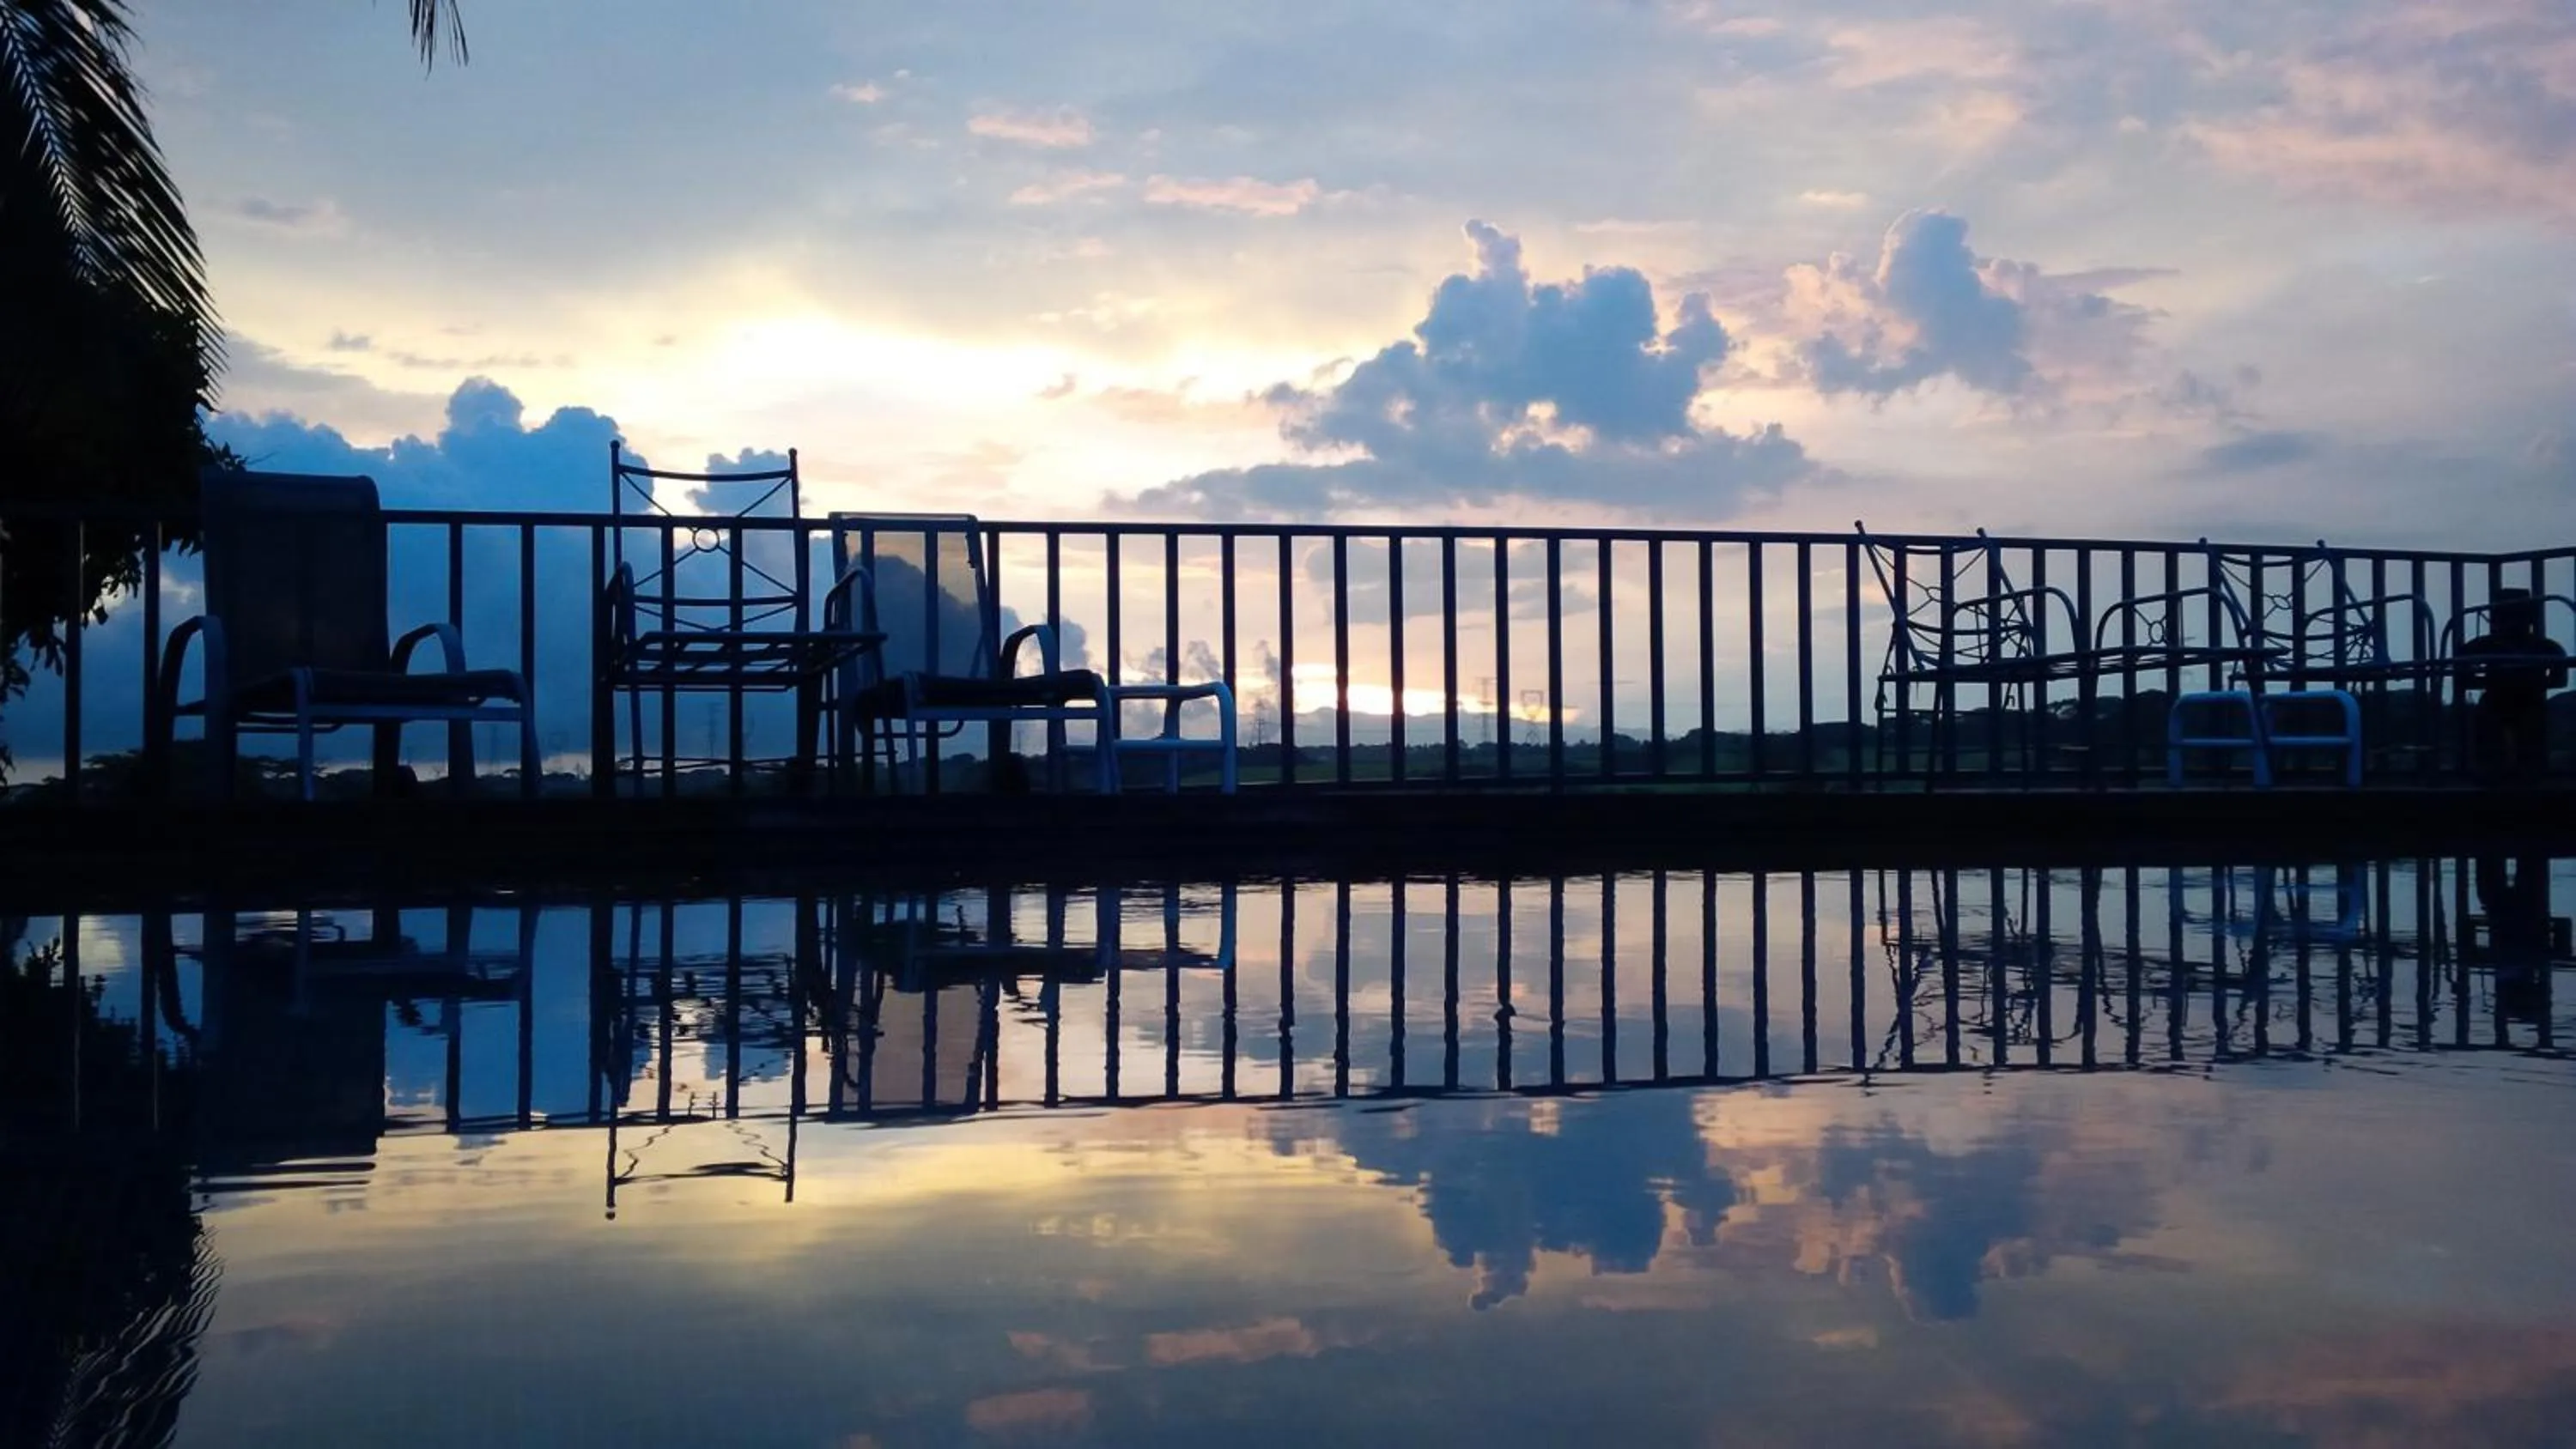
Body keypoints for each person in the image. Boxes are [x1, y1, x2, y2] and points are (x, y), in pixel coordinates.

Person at [2458, 589, 2567, 785]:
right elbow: (2462, 670)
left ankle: (2525, 774)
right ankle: (2500, 773)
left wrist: (2499, 681)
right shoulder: (2545, 646)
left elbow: (2560, 678)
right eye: (2509, 617)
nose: (2514, 623)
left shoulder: (2544, 647)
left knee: (2528, 727)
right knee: (2492, 726)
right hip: (2502, 700)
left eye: (2519, 616)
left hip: (2524, 700)